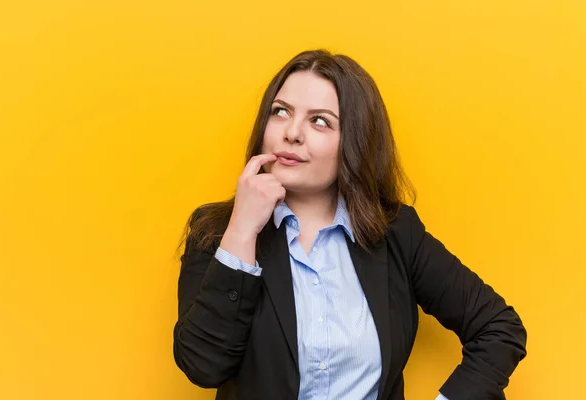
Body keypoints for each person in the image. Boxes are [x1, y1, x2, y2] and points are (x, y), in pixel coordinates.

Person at [173, 49, 527, 400]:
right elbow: (204, 366)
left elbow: (499, 328)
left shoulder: (396, 233)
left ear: (355, 141)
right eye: (280, 112)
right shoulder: (217, 232)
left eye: (320, 121)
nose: (292, 133)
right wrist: (243, 229)